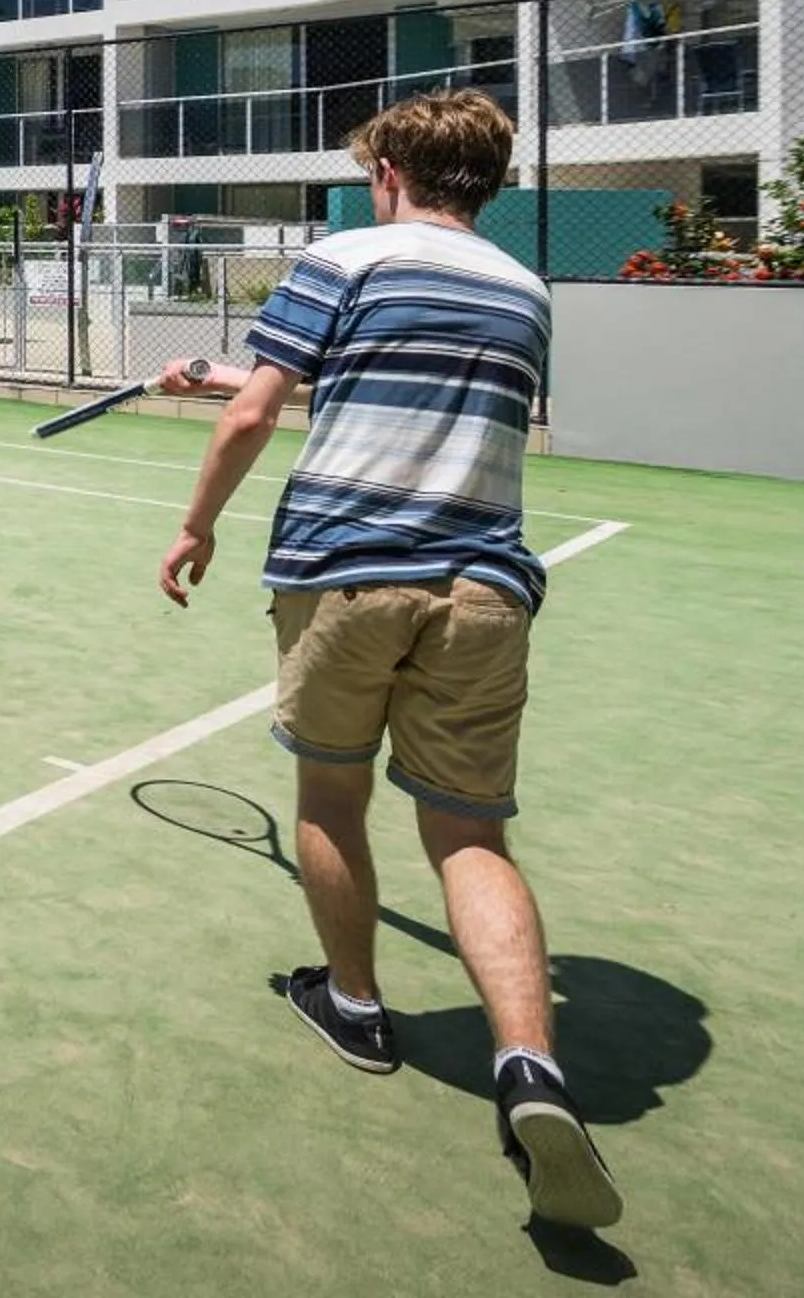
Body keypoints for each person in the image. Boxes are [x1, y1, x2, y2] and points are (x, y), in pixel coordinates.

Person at [152, 89, 619, 1232]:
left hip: (346, 575)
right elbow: (385, 376)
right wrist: (223, 369)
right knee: (468, 832)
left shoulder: (344, 254)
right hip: (484, 592)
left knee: (330, 790)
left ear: (396, 167)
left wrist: (197, 520)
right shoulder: (523, 289)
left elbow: (263, 415)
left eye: (373, 167)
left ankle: (355, 1003)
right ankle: (531, 1070)